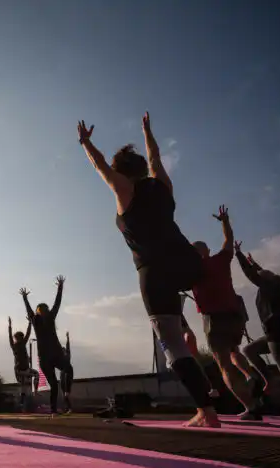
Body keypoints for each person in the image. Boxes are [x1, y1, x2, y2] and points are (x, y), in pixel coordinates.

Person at [77, 113, 219, 428]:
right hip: (187, 264)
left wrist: (86, 142)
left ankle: (206, 410)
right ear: (144, 170)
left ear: (123, 173)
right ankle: (210, 391)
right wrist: (147, 132)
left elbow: (100, 166)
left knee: (173, 346)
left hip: (156, 272)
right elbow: (155, 159)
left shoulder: (125, 191)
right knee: (182, 337)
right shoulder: (163, 187)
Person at [190, 206, 262, 419]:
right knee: (234, 350)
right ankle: (250, 375)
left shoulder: (192, 271)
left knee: (223, 363)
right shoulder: (221, 260)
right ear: (207, 251)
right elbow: (229, 239)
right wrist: (224, 220)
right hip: (234, 315)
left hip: (213, 319)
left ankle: (251, 408)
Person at [235, 242, 280, 420]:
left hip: (279, 335)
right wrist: (254, 263)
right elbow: (262, 273)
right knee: (249, 350)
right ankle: (269, 378)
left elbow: (252, 274)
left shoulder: (268, 287)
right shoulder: (276, 285)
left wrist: (239, 254)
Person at [20, 276, 73, 416]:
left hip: (53, 355)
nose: (43, 312)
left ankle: (66, 393)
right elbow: (30, 311)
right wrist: (25, 298)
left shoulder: (49, 317)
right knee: (54, 384)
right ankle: (54, 409)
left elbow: (57, 303)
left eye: (44, 310)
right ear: (39, 312)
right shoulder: (36, 321)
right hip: (46, 358)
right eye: (41, 310)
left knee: (68, 368)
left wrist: (60, 288)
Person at [8, 315, 38, 411]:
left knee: (35, 375)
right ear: (17, 338)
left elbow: (28, 333)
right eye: (19, 338)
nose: (21, 340)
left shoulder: (22, 342)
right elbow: (11, 337)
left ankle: (34, 392)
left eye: (21, 338)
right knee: (23, 385)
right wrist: (10, 326)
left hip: (25, 369)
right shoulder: (15, 345)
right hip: (19, 370)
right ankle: (22, 401)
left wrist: (29, 323)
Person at [60, 332, 74, 414]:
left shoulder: (67, 355)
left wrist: (67, 338)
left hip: (68, 372)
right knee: (63, 392)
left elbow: (68, 347)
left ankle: (69, 408)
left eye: (64, 350)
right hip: (63, 373)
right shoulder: (60, 358)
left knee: (66, 393)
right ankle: (67, 408)